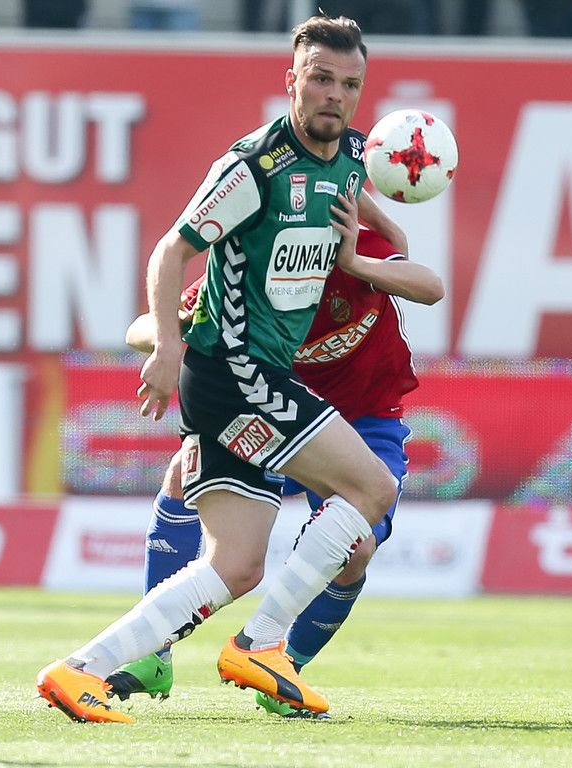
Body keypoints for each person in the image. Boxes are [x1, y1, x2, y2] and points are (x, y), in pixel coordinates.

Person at [36, 13, 414, 724]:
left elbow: (362, 196)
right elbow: (171, 251)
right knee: (372, 486)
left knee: (234, 565)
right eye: (321, 79)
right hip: (238, 373)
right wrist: (167, 349)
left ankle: (79, 671)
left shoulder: (350, 153)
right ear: (291, 81)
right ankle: (262, 644)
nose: (334, 95)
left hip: (244, 381)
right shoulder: (254, 168)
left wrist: (387, 230)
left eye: (349, 84)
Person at [106, 223, 443, 716]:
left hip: (365, 420)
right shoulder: (259, 265)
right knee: (181, 476)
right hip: (280, 414)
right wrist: (171, 333)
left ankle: (285, 667)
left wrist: (356, 263)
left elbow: (431, 288)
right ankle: (153, 654)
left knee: (356, 551)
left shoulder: (355, 246)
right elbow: (139, 328)